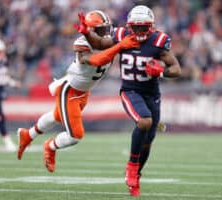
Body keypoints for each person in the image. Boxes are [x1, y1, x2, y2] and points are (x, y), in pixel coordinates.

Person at [74, 5, 181, 196]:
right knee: (144, 121)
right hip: (130, 91)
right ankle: (132, 165)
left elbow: (176, 68)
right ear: (129, 26)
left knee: (148, 142)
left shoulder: (158, 41)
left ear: (151, 26)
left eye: (143, 27)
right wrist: (87, 33)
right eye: (136, 27)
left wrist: (162, 71)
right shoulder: (122, 34)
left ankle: (136, 176)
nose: (139, 31)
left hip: (152, 94)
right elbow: (99, 43)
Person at [17, 10, 139, 173]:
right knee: (76, 135)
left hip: (84, 91)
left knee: (57, 115)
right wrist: (119, 46)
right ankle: (50, 146)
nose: (106, 34)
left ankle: (28, 135)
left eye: (107, 29)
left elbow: (125, 38)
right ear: (91, 31)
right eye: (101, 31)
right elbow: (97, 60)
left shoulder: (111, 37)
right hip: (71, 91)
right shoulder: (82, 43)